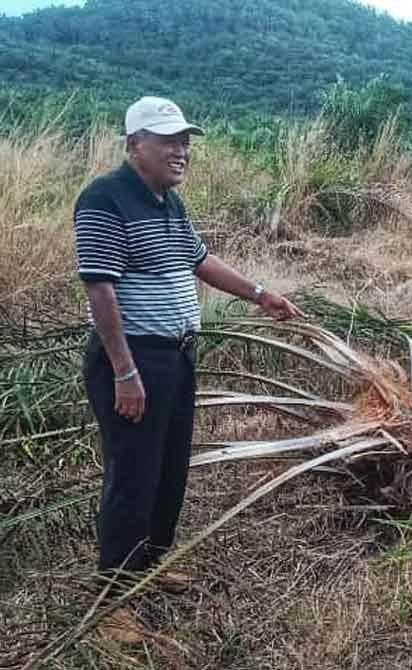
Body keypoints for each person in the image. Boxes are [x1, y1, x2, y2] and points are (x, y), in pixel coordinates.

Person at [72, 96, 303, 640]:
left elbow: (198, 260)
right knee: (132, 475)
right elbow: (100, 290)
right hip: (135, 358)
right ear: (134, 145)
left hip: (175, 355)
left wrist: (259, 293)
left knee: (170, 467)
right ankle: (114, 597)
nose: (182, 150)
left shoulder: (167, 202)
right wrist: (125, 372)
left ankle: (148, 565)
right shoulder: (105, 199)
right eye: (168, 140)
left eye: (185, 141)